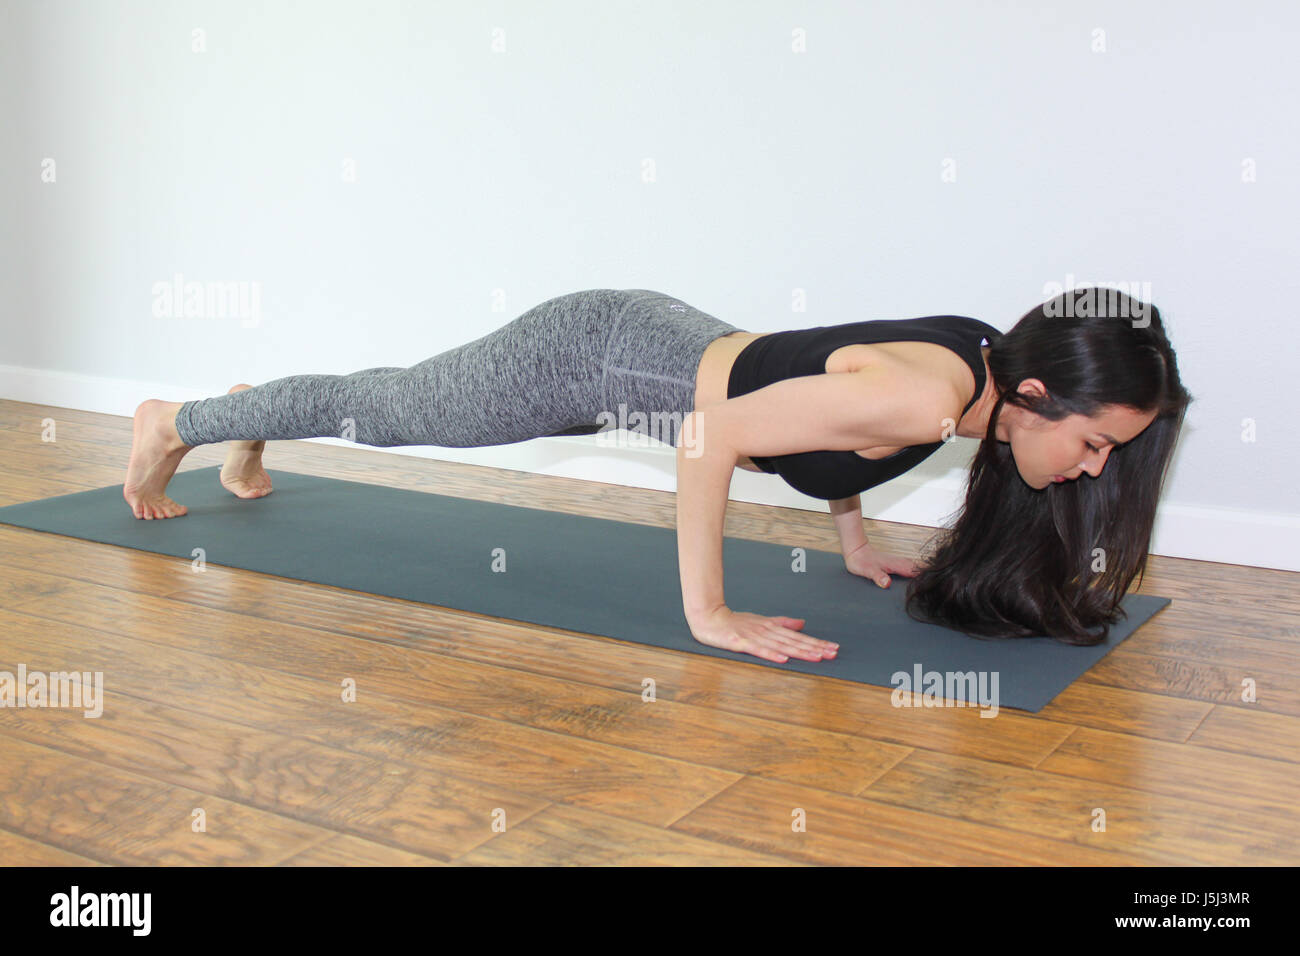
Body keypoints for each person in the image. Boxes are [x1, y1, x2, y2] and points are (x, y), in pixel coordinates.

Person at [123, 286, 1191, 662]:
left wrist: (855, 540)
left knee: (393, 399)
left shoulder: (978, 373)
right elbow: (710, 438)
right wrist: (711, 611)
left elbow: (820, 414)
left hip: (660, 346)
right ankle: (180, 416)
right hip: (600, 353)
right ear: (1041, 395)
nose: (1093, 467)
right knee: (402, 412)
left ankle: (246, 408)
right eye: (1098, 442)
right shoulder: (928, 396)